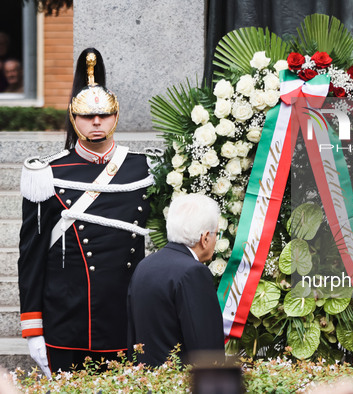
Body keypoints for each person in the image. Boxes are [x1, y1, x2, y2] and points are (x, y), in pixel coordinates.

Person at [18, 48, 156, 375]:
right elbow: (31, 256)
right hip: (68, 320)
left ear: (116, 115)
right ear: (73, 117)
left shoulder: (145, 167)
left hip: (126, 317)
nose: (96, 122)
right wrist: (33, 327)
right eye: (87, 116)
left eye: (104, 115)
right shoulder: (47, 173)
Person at [127, 194, 225, 367]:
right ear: (205, 238)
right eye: (217, 233)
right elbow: (206, 347)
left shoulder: (144, 266)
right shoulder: (193, 272)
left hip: (145, 382)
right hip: (180, 383)